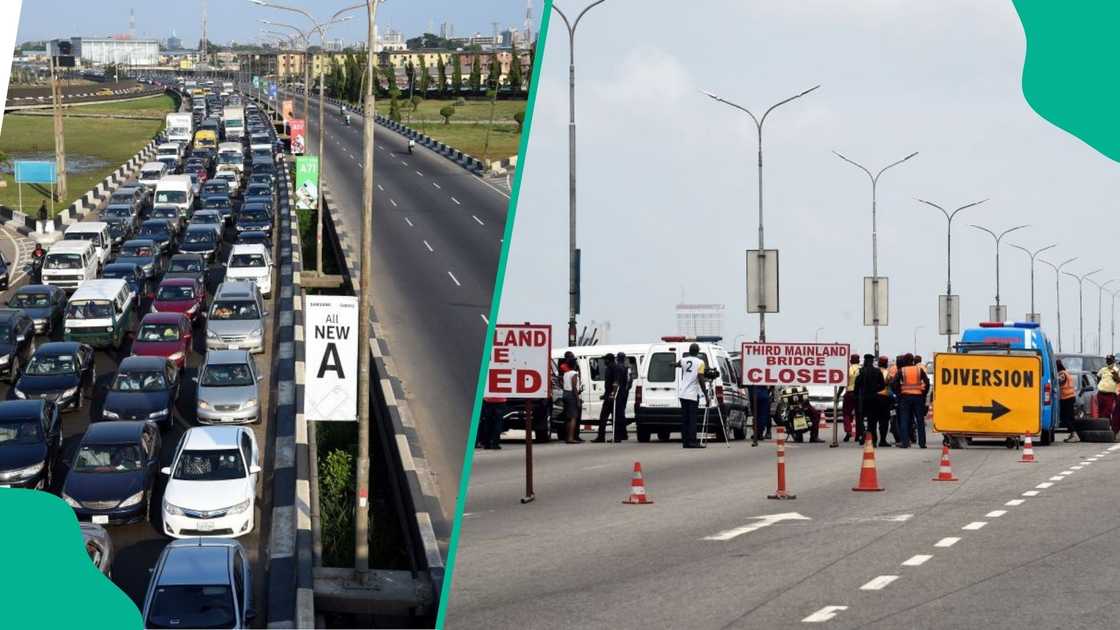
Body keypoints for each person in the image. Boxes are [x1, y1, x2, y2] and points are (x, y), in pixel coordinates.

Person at [894, 354, 930, 448]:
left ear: (905, 361)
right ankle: (922, 443)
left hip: (905, 397)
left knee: (904, 420)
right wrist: (924, 394)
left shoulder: (902, 370)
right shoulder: (919, 370)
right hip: (918, 397)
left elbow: (894, 383)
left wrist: (899, 393)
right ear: (913, 360)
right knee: (920, 420)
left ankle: (905, 443)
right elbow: (927, 382)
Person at [677, 343, 709, 448]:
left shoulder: (684, 360)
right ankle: (692, 441)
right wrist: (706, 395)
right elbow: (700, 378)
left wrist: (672, 364)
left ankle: (685, 442)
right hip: (692, 395)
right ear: (697, 352)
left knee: (685, 419)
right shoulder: (700, 362)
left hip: (683, 394)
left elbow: (677, 363)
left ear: (690, 351)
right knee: (692, 419)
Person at [855, 354, 887, 446]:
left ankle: (863, 436)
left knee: (861, 420)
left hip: (863, 400)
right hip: (875, 399)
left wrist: (856, 395)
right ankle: (873, 440)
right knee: (872, 421)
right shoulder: (877, 371)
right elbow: (882, 386)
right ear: (872, 361)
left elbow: (857, 385)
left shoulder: (861, 371)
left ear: (865, 361)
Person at [592, 353, 616, 443]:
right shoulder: (614, 368)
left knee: (603, 418)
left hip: (610, 397)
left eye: (605, 360)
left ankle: (601, 437)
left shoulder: (610, 369)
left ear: (608, 360)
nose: (604, 362)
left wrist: (610, 395)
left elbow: (614, 383)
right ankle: (616, 436)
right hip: (611, 396)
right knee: (614, 417)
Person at [562, 357, 583, 444]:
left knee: (568, 417)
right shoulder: (574, 373)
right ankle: (571, 438)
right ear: (574, 365)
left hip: (565, 394)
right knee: (574, 417)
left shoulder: (565, 373)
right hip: (571, 395)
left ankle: (567, 437)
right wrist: (578, 400)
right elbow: (574, 387)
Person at [1097, 356, 1120, 432]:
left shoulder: (1116, 370)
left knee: (1108, 412)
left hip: (1110, 395)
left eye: (1110, 361)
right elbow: (1098, 377)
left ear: (1113, 361)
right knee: (1100, 411)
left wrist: (1115, 374)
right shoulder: (1103, 369)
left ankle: (1108, 427)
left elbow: (1118, 380)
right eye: (1107, 361)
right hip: (1101, 393)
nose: (1108, 362)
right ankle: (1101, 427)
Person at [842, 354, 860, 442]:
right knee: (859, 414)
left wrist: (838, 395)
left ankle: (848, 431)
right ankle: (858, 434)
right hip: (859, 394)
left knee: (846, 414)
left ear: (850, 361)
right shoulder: (861, 369)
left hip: (849, 393)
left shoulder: (847, 369)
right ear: (859, 361)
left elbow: (843, 383)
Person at [1059, 360, 1078, 443]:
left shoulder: (1061, 374)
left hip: (1067, 398)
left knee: (1065, 417)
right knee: (1070, 417)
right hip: (1070, 397)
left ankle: (1074, 434)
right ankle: (1072, 434)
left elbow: (1060, 382)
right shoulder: (1066, 372)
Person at [613, 353, 631, 442]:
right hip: (624, 391)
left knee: (618, 414)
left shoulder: (618, 368)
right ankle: (624, 434)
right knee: (621, 413)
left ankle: (618, 435)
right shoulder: (626, 368)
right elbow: (629, 381)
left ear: (617, 358)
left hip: (619, 392)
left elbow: (616, 381)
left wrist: (614, 393)